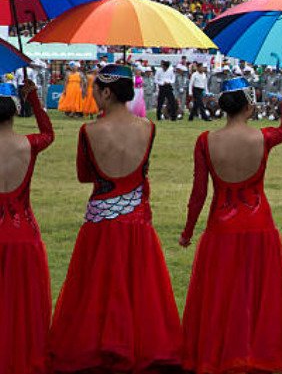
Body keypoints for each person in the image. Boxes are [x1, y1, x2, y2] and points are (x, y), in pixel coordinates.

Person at [49, 64, 182, 373]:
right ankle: (139, 343)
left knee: (96, 286)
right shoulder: (149, 127)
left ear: (107, 92)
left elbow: (84, 176)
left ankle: (99, 343)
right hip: (137, 219)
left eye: (94, 90)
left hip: (101, 221)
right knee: (139, 287)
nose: (91, 96)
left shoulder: (89, 131)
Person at [179, 77, 282, 374]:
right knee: (258, 294)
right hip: (258, 223)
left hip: (221, 225)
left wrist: (188, 231)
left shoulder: (206, 141)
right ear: (249, 105)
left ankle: (222, 351)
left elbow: (199, 193)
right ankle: (256, 351)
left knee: (222, 294)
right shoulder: (262, 137)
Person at [0, 79, 54, 374]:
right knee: (22, 305)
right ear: (13, 115)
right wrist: (33, 96)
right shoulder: (28, 145)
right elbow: (48, 132)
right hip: (24, 233)